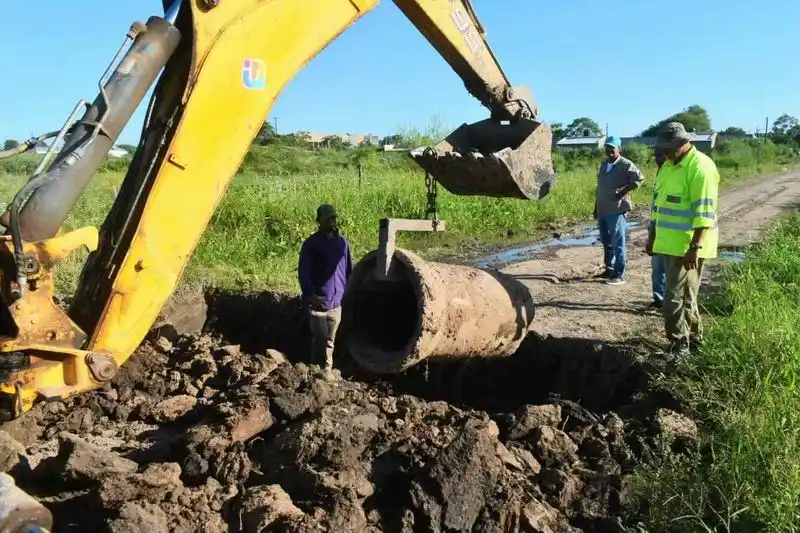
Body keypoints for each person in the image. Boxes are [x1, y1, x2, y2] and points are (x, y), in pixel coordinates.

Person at [646, 122, 719, 359]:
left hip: (688, 247)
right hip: (669, 244)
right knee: (686, 296)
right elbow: (659, 207)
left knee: (675, 298)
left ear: (682, 144)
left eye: (667, 148)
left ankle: (680, 346)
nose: (663, 153)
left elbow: (704, 214)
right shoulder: (668, 166)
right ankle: (695, 340)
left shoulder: (701, 168)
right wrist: (652, 236)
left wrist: (694, 248)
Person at [298, 204, 353, 375]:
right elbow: (303, 272)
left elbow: (349, 269)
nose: (331, 222)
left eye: (333, 218)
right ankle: (317, 370)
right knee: (321, 340)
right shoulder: (311, 245)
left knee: (330, 341)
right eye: (327, 219)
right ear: (319, 221)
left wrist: (348, 293)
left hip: (337, 302)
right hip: (319, 302)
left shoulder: (343, 243)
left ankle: (324, 371)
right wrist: (311, 295)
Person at [594, 135, 644, 285]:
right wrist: (596, 208)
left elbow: (639, 179)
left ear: (619, 149)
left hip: (616, 210)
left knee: (618, 242)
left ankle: (619, 274)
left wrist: (623, 192)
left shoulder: (625, 164)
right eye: (607, 148)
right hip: (603, 208)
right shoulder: (604, 164)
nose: (609, 151)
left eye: (612, 148)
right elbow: (600, 188)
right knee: (606, 241)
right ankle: (609, 269)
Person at [648, 148, 668, 310]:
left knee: (672, 270)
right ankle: (659, 298)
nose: (657, 158)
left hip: (677, 232)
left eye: (660, 154)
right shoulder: (661, 173)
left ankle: (670, 300)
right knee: (657, 267)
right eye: (656, 155)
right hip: (658, 226)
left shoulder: (677, 173)